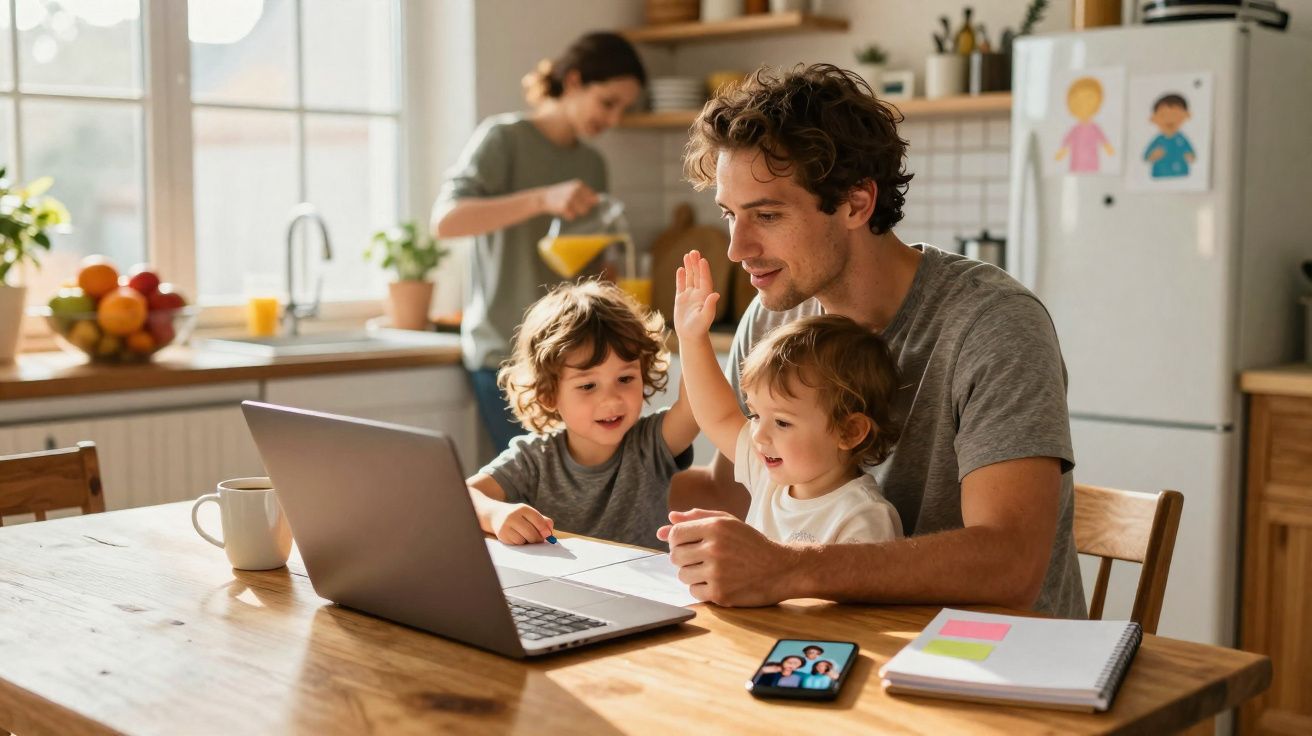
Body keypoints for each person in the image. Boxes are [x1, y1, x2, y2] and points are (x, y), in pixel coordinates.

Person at [658, 63, 1085, 619]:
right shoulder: (772, 321)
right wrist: (583, 480)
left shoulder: (992, 324)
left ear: (857, 204)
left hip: (995, 654)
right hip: (842, 640)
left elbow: (1011, 566)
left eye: (767, 215)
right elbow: (732, 487)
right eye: (729, 215)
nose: (737, 249)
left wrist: (789, 568)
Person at [433, 32, 647, 454]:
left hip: (575, 359)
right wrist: (542, 199)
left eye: (622, 109)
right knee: (535, 482)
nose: (613, 119)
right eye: (607, 102)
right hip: (505, 353)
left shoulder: (592, 164)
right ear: (573, 80)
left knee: (573, 483)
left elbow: (594, 262)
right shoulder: (503, 140)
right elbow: (446, 221)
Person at [672, 250, 902, 545]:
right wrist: (691, 338)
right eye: (756, 415)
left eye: (782, 422)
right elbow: (719, 416)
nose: (759, 435)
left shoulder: (863, 517)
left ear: (849, 431)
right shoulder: (768, 473)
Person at [465, 280, 697, 548]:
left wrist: (692, 337)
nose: (611, 399)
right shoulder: (533, 460)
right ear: (549, 394)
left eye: (625, 379)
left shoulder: (652, 443)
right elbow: (466, 495)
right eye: (588, 386)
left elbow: (694, 407)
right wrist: (496, 514)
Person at [1055, 76, 1114, 174]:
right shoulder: (1075, 129)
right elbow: (1067, 140)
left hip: (1091, 162)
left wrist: (1108, 147)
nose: (1084, 105)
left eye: (1089, 100)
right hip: (1076, 162)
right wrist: (1062, 151)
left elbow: (1102, 138)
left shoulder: (1095, 128)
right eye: (1078, 102)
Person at [1143, 93, 1195, 179]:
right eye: (1163, 115)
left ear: (1187, 115)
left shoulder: (1181, 139)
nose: (1169, 120)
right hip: (1160, 174)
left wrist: (1189, 156)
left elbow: (1190, 153)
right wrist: (1153, 155)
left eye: (1175, 115)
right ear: (1153, 119)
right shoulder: (1158, 140)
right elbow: (1146, 156)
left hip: (1181, 174)